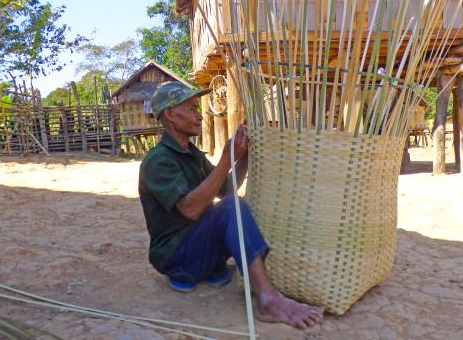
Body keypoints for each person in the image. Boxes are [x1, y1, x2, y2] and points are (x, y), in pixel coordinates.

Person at [138, 81, 324, 329]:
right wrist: (227, 159)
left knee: (231, 204)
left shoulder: (191, 154)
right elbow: (191, 209)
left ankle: (217, 269)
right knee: (230, 207)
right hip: (176, 258)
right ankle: (267, 298)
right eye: (192, 109)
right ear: (170, 115)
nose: (199, 115)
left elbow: (225, 187)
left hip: (197, 246)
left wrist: (242, 157)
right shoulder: (157, 161)